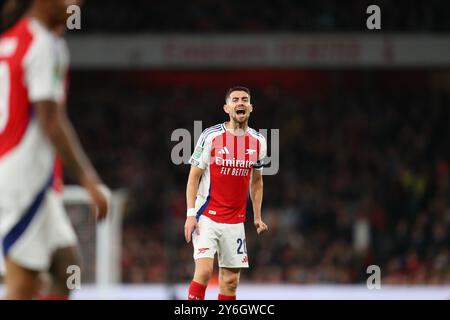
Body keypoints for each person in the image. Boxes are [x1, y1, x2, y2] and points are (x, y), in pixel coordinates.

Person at [0, 0, 109, 299]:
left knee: (66, 269)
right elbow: (51, 120)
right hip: (24, 180)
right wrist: (89, 180)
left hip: (22, 175)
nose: (76, 5)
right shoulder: (44, 44)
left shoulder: (11, 39)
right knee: (23, 284)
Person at [184, 86, 269, 300]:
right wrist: (190, 214)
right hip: (207, 216)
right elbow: (193, 177)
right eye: (235, 100)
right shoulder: (210, 136)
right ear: (226, 108)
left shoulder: (259, 141)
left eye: (244, 99)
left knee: (230, 283)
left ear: (250, 107)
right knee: (203, 273)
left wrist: (257, 217)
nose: (240, 103)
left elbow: (256, 181)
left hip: (235, 221)